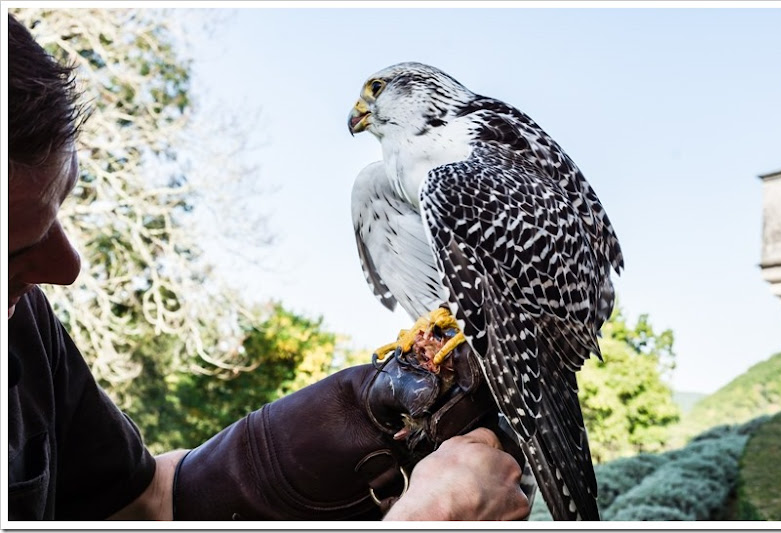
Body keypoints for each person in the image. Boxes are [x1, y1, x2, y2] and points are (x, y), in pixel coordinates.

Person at [6, 13, 530, 521]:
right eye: (12, 249)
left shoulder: (22, 326)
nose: (65, 266)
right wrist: (431, 517)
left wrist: (349, 422)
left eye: (60, 208)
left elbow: (145, 503)